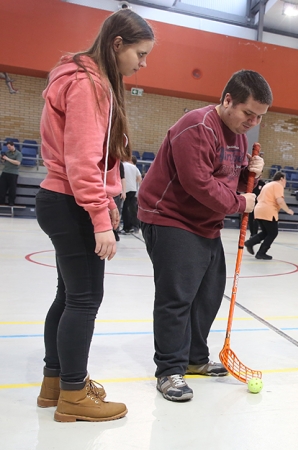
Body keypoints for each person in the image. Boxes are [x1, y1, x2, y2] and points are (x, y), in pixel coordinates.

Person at [35, 9, 154, 422]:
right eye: (140, 53)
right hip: (71, 203)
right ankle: (73, 395)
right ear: (116, 44)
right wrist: (101, 219)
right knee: (85, 300)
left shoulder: (76, 77)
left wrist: (109, 203)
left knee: (69, 296)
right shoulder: (89, 86)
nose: (143, 63)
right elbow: (83, 161)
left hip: (61, 199)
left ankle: (55, 384)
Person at [137, 70, 270, 402]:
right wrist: (242, 202)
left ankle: (195, 358)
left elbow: (226, 178)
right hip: (170, 218)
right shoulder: (196, 127)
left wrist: (248, 176)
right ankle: (169, 370)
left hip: (204, 224)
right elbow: (198, 183)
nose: (251, 122)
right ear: (228, 100)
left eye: (258, 117)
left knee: (209, 294)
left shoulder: (238, 136)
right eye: (247, 113)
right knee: (177, 297)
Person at [245, 171, 294, 260]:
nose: (285, 182)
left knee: (266, 232)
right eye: (285, 179)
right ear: (281, 179)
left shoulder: (268, 185)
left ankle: (250, 242)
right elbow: (280, 200)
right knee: (273, 233)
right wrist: (288, 210)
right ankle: (261, 253)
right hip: (268, 211)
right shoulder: (277, 185)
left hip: (259, 209)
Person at [121, 155, 142, 233]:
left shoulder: (122, 165)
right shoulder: (134, 167)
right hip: (133, 189)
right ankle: (135, 226)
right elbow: (139, 179)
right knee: (133, 209)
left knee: (125, 209)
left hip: (124, 189)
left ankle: (127, 227)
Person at [0, 141, 23, 205]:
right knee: (2, 187)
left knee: (12, 188)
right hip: (5, 171)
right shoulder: (7, 152)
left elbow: (18, 163)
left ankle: (11, 202)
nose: (8, 148)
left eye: (9, 147)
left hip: (13, 173)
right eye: (7, 147)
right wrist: (3, 158)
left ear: (13, 145)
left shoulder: (18, 154)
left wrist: (7, 159)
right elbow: (3, 162)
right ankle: (1, 201)